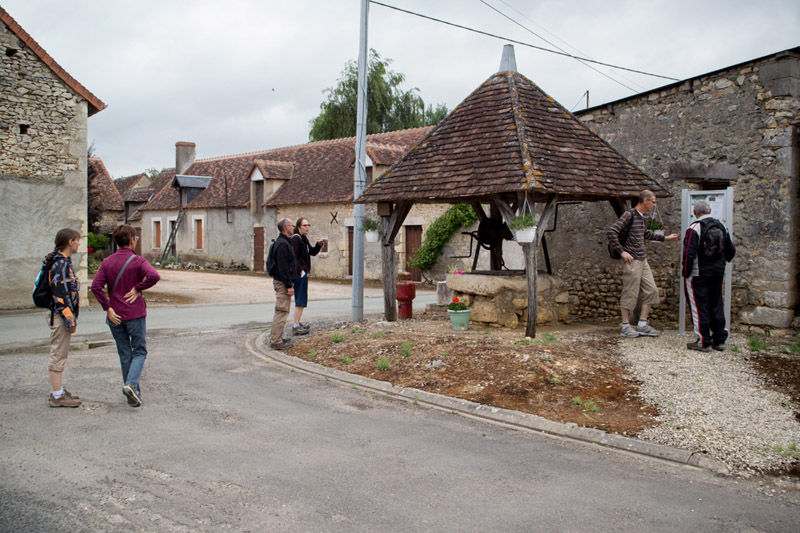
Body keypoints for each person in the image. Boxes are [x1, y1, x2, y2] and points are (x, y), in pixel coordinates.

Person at [91, 225, 160, 407]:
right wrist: (138, 288)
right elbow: (154, 276)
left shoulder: (107, 262)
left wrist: (107, 307)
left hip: (115, 315)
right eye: (135, 238)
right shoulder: (138, 261)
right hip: (135, 313)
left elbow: (96, 287)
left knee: (124, 353)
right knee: (139, 351)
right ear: (131, 240)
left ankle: (133, 393)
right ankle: (131, 385)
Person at [607, 190, 680, 338]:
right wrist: (622, 252)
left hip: (643, 259)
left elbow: (646, 234)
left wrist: (666, 238)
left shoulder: (642, 219)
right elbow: (612, 231)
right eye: (653, 201)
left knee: (652, 291)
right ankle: (626, 327)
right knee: (630, 293)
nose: (654, 205)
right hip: (632, 260)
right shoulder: (629, 215)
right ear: (645, 201)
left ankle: (642, 324)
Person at [681, 200, 736, 352]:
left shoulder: (694, 228)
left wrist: (685, 273)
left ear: (694, 212)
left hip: (699, 273)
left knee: (699, 306)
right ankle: (719, 338)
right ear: (710, 210)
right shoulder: (721, 226)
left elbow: (688, 254)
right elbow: (731, 251)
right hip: (718, 272)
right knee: (716, 303)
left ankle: (703, 340)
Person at [45, 228, 82, 408]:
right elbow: (60, 295)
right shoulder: (60, 264)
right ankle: (57, 395)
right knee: (58, 353)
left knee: (61, 352)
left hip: (61, 315)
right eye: (77, 240)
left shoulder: (62, 261)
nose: (79, 244)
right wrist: (70, 320)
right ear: (70, 242)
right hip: (60, 316)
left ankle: (58, 389)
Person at [290, 217, 327, 336]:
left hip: (303, 272)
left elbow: (312, 252)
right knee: (300, 299)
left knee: (302, 299)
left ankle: (297, 322)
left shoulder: (303, 238)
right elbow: (293, 256)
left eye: (308, 225)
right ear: (299, 226)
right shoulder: (296, 238)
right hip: (300, 274)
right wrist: (300, 270)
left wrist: (319, 244)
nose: (307, 227)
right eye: (305, 225)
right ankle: (295, 325)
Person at [269, 218, 297, 350]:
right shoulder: (282, 244)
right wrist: (288, 285)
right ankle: (276, 341)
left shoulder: (284, 242)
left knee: (283, 310)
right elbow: (283, 267)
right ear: (286, 228)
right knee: (282, 311)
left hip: (282, 281)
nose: (293, 227)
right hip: (282, 282)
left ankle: (277, 337)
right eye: (292, 225)